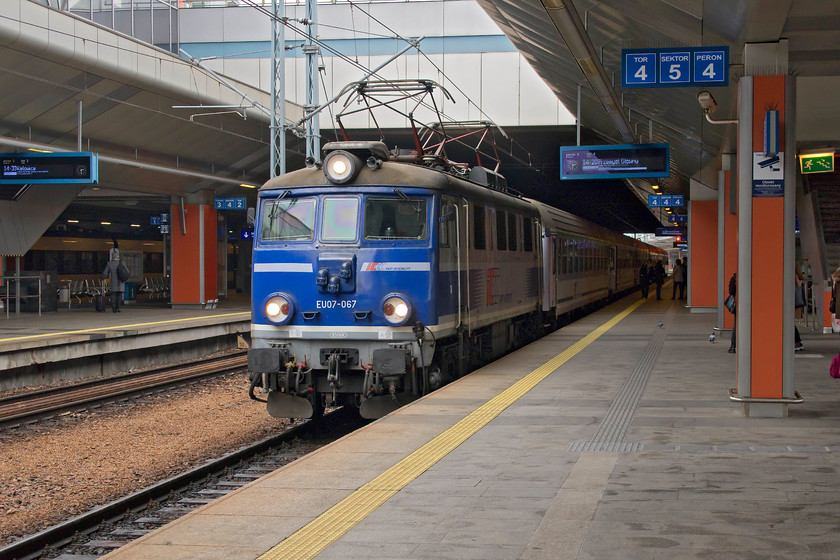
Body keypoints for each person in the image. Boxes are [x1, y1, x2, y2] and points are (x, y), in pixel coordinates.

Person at [102, 248, 127, 313]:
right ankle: (118, 308)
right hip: (121, 281)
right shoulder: (122, 263)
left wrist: (103, 277)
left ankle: (113, 308)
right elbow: (127, 271)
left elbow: (105, 273)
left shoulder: (109, 264)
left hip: (113, 281)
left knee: (113, 294)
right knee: (119, 294)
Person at [728, 272, 737, 353]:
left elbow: (731, 292)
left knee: (736, 324)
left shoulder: (734, 278)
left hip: (737, 304)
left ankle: (733, 346)